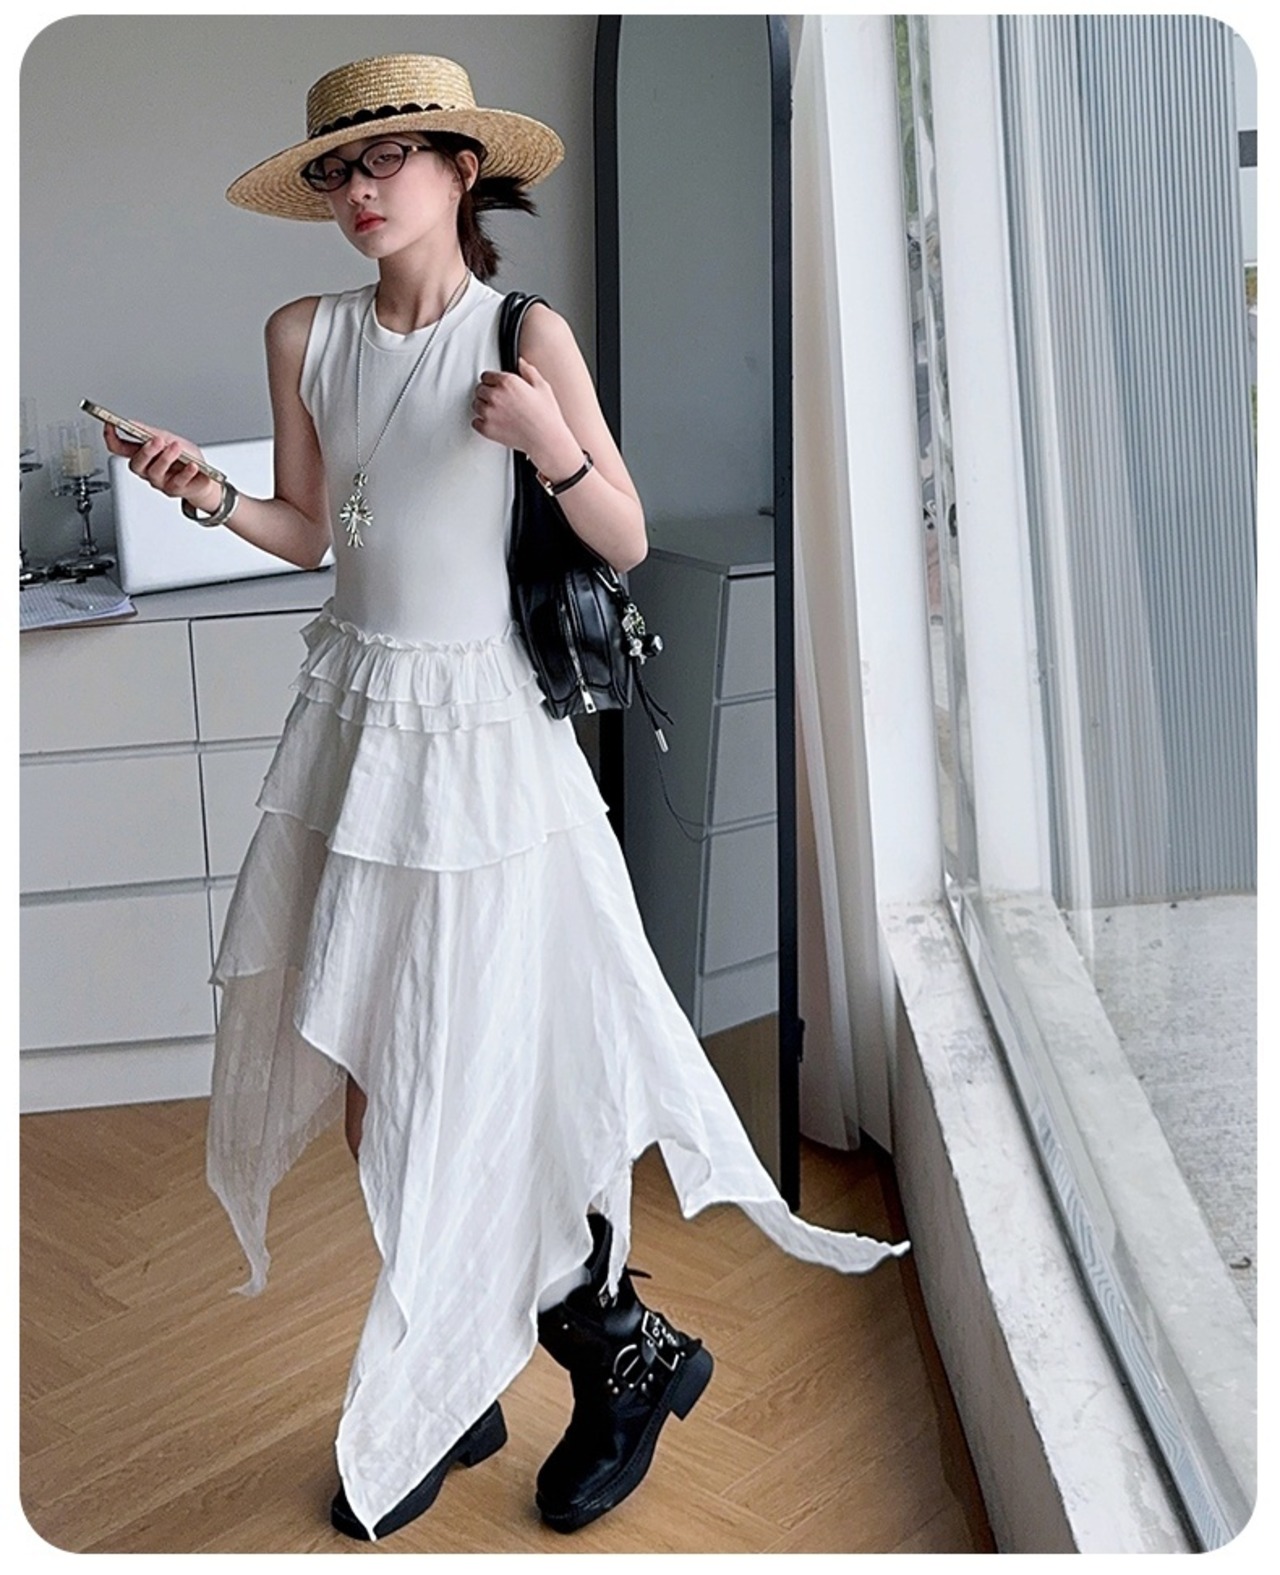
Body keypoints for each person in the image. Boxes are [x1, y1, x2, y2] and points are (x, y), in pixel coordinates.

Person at [106, 53, 909, 1546]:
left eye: (387, 159)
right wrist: (200, 492)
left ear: (460, 168)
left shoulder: (524, 330)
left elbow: (622, 533)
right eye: (337, 169)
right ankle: (457, 1341)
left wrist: (551, 444)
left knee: (495, 1064)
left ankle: (623, 1357)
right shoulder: (303, 333)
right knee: (376, 1066)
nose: (359, 191)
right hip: (356, 726)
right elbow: (311, 531)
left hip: (484, 748)